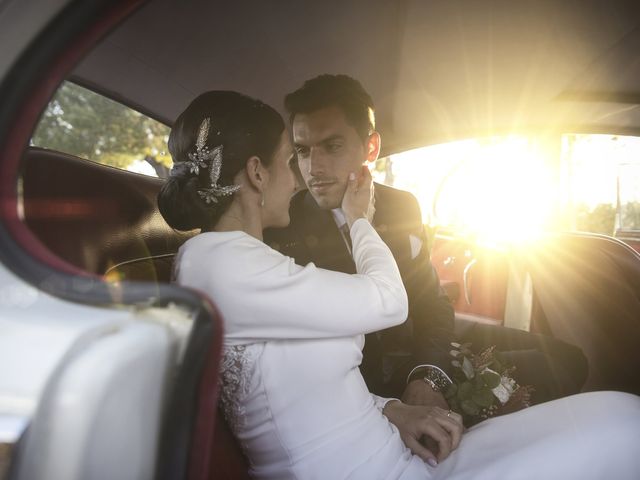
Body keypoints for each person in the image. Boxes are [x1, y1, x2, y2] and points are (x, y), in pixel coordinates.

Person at [158, 90, 640, 479]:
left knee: (613, 409)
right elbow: (389, 302)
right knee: (622, 429)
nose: (302, 174)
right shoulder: (222, 262)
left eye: (330, 147)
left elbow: (315, 380)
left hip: (387, 438)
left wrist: (406, 399)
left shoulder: (240, 258)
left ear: (369, 148)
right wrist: (359, 222)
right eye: (294, 157)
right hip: (361, 464)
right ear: (258, 173)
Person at [264, 74, 588, 411]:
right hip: (370, 380)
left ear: (371, 148)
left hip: (424, 345)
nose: (313, 168)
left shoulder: (401, 205)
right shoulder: (284, 228)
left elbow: (431, 302)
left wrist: (428, 374)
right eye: (302, 151)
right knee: (540, 374)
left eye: (332, 146)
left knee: (568, 360)